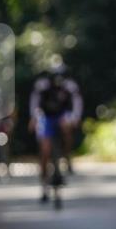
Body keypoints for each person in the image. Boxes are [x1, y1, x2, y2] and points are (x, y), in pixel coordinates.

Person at [29, 64, 83, 201]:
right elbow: (35, 104)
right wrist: (34, 119)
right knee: (45, 150)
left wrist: (74, 118)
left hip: (61, 115)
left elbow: (76, 103)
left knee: (66, 128)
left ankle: (66, 156)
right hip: (45, 117)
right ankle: (44, 185)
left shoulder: (69, 86)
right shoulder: (42, 86)